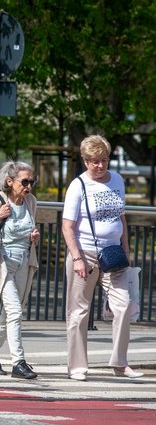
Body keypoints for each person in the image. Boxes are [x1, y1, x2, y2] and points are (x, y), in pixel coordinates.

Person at [62, 135, 143, 381]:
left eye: (104, 160)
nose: (100, 166)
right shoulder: (78, 185)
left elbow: (121, 218)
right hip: (84, 254)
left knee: (124, 304)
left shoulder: (117, 180)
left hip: (113, 255)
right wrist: (77, 258)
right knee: (78, 311)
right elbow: (67, 227)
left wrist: (126, 251)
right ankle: (77, 367)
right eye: (94, 161)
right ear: (86, 161)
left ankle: (120, 363)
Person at [0, 161, 40, 379]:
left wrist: (34, 238)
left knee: (9, 313)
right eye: (25, 181)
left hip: (23, 261)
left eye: (32, 181)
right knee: (15, 312)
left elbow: (29, 230)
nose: (29, 186)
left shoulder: (31, 202)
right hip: (1, 263)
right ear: (10, 181)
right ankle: (18, 362)